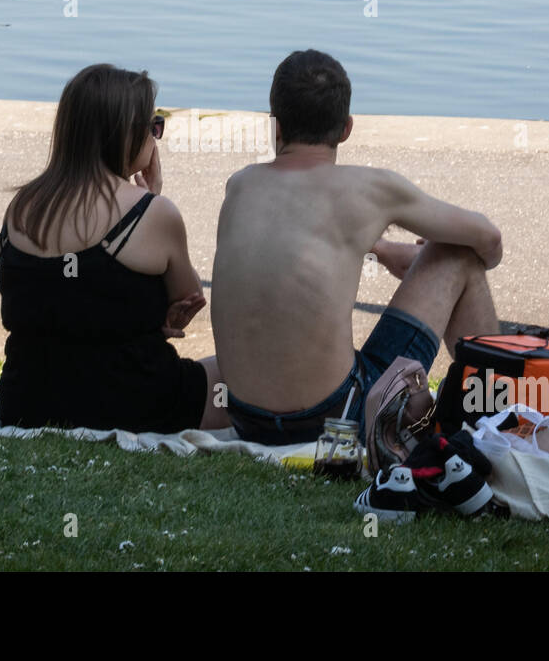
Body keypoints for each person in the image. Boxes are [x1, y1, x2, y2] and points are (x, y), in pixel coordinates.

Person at [210, 49, 503, 445]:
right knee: (457, 254)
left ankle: (488, 410)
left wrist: (380, 249)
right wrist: (444, 253)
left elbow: (304, 237)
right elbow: (487, 238)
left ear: (274, 127)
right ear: (346, 128)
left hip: (245, 416)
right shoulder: (372, 189)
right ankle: (498, 415)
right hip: (338, 418)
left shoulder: (241, 185)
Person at [0, 64, 229, 432]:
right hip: (132, 402)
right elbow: (188, 298)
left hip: (25, 401)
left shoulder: (21, 207)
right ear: (124, 136)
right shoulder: (151, 213)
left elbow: (53, 298)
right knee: (244, 374)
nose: (157, 137)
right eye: (153, 126)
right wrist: (152, 199)